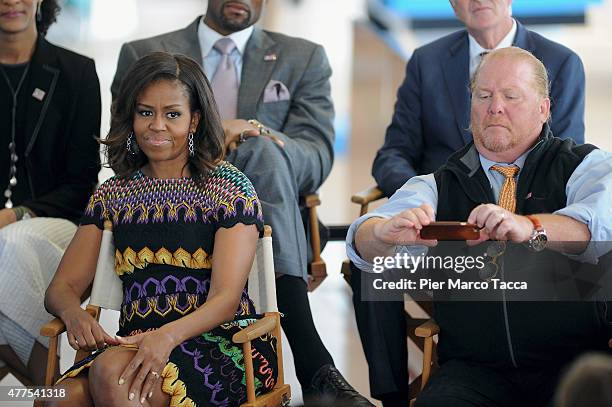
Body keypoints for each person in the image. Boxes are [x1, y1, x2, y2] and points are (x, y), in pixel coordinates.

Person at [111, 1, 372, 404]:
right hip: (172, 200)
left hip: (265, 206)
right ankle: (314, 365)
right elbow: (122, 154)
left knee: (264, 154)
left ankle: (313, 366)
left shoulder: (302, 57)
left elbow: (316, 157)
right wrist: (214, 139)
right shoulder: (142, 53)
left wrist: (254, 131)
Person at [347, 47, 612, 406]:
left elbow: (596, 229)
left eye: (511, 96)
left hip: (575, 365)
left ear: (544, 108)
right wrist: (379, 235)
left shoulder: (586, 166)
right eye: (483, 95)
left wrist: (529, 226)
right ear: (471, 108)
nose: (495, 107)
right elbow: (364, 242)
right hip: (474, 371)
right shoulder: (437, 184)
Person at [45, 52, 279, 406]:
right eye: (145, 113)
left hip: (225, 344)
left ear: (195, 120)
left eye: (172, 114)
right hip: (133, 345)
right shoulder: (114, 194)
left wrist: (165, 337)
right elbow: (61, 288)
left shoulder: (227, 188)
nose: (157, 126)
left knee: (112, 375)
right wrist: (74, 314)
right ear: (131, 117)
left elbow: (226, 301)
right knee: (56, 397)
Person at [0, 0, 101, 385]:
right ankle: (55, 390)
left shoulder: (75, 72)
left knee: (11, 244)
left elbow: (81, 183)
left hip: (56, 222)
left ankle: (51, 389)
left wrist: (14, 214)